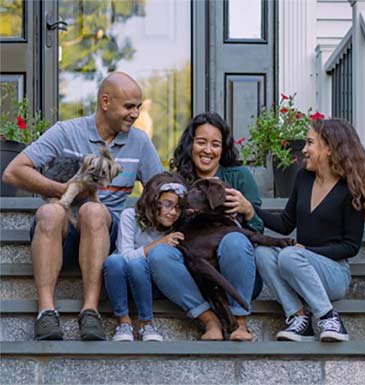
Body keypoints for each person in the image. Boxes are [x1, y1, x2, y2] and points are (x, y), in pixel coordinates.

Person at [2, 72, 164, 341]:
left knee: (93, 211)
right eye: (129, 106)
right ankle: (46, 311)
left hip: (102, 231)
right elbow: (13, 172)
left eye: (138, 106)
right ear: (105, 101)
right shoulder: (67, 132)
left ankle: (90, 311)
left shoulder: (140, 142)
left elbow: (159, 191)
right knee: (50, 211)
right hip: (61, 235)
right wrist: (64, 190)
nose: (135, 113)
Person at [254, 118, 365, 342]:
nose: (304, 149)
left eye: (310, 143)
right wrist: (250, 211)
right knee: (262, 253)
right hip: (300, 262)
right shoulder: (304, 178)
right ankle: (299, 318)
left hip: (334, 273)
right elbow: (285, 223)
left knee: (290, 255)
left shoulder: (350, 189)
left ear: (330, 149)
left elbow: (350, 247)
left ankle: (328, 317)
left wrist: (308, 251)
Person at [148, 112, 263, 341]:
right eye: (201, 142)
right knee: (159, 253)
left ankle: (239, 321)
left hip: (236, 271)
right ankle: (210, 321)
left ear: (223, 148)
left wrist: (248, 210)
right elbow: (163, 225)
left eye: (215, 144)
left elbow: (258, 231)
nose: (208, 150)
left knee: (235, 239)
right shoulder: (177, 181)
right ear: (191, 144)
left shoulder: (239, 176)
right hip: (195, 274)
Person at [104, 172, 186, 342]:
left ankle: (146, 323)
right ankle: (123, 322)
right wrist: (159, 243)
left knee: (137, 265)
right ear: (153, 201)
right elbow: (125, 255)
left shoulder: (178, 226)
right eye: (167, 204)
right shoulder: (130, 216)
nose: (173, 212)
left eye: (178, 207)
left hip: (154, 284)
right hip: (122, 281)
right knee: (114, 260)